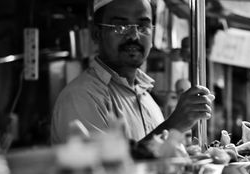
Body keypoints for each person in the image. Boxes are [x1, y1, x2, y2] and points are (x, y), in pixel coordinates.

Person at [50, 0, 214, 144]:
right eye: (120, 27)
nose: (134, 36)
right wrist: (173, 126)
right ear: (96, 34)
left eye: (143, 26)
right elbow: (102, 173)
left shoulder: (146, 98)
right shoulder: (81, 97)